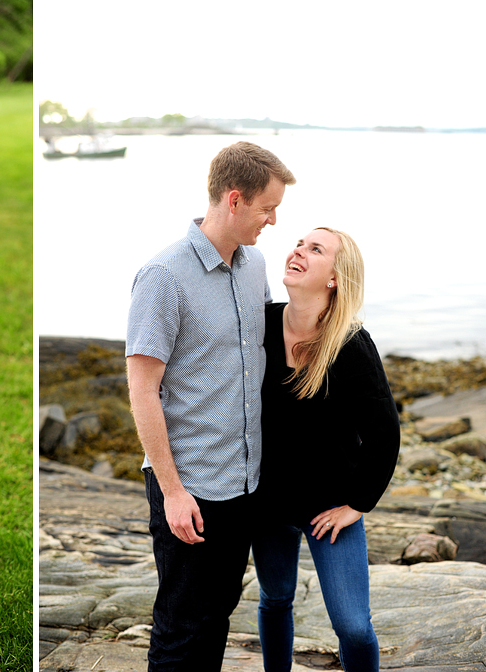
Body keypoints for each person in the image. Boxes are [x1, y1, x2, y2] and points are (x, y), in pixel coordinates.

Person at [126, 141, 296, 671]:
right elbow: (142, 389)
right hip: (191, 487)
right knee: (180, 625)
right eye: (268, 208)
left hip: (244, 483)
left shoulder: (255, 265)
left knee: (218, 614)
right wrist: (174, 492)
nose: (273, 220)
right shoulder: (163, 278)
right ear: (235, 199)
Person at [252, 228, 400, 671]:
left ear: (334, 278)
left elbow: (385, 431)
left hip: (330, 505)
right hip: (267, 501)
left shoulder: (350, 343)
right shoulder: (259, 324)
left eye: (315, 249)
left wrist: (357, 503)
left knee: (353, 625)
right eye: (300, 243)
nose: (299, 250)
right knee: (275, 599)